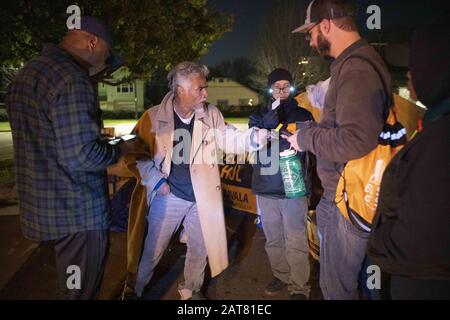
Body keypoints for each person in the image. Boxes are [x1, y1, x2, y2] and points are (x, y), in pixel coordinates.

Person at [5, 16, 148, 299]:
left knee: (69, 286)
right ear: (92, 42)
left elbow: (50, 138)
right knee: (80, 291)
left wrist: (98, 140)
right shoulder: (72, 79)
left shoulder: (29, 72)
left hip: (45, 206)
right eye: (107, 55)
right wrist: (119, 149)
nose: (105, 64)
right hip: (77, 212)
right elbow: (83, 156)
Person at [118, 61, 268, 300]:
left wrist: (254, 138)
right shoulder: (153, 116)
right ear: (181, 89)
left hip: (202, 198)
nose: (206, 93)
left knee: (199, 249)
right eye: (200, 88)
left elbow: (230, 140)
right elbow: (133, 153)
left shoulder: (211, 114)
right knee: (151, 251)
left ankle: (191, 290)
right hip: (167, 197)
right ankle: (133, 290)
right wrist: (157, 182)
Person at [285, 0, 393, 299]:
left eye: (310, 32)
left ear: (326, 25)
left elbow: (355, 139)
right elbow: (344, 128)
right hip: (343, 195)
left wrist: (305, 140)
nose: (309, 40)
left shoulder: (357, 67)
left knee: (337, 289)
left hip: (348, 201)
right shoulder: (355, 61)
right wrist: (309, 132)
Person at [367, 20, 450, 300]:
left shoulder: (440, 142)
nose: (409, 75)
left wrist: (378, 240)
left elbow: (418, 245)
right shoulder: (435, 125)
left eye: (416, 64)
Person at [248, 68, 314, 299]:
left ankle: (299, 287)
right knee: (274, 240)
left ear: (293, 87)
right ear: (270, 89)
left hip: (294, 188)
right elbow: (253, 143)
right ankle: (281, 275)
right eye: (277, 86)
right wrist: (267, 124)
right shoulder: (257, 115)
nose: (282, 90)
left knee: (296, 239)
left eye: (287, 86)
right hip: (266, 188)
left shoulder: (305, 115)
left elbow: (313, 150)